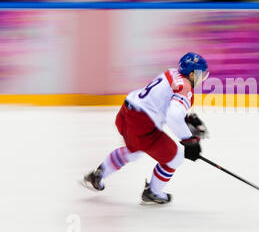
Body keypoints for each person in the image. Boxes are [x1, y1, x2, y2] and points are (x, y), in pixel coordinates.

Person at [81, 52, 209, 204]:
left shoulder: (171, 72)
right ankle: (153, 192)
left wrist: (185, 118)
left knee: (134, 151)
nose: (202, 79)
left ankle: (98, 175)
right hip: (142, 123)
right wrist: (190, 140)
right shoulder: (185, 87)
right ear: (192, 74)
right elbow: (173, 116)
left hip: (126, 113)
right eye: (200, 74)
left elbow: (160, 101)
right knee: (176, 158)